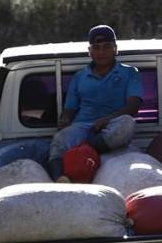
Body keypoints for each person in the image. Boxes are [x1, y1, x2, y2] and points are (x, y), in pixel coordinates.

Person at [46, 25, 143, 182]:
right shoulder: (80, 76)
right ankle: (60, 178)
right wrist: (64, 121)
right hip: (84, 127)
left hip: (112, 127)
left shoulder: (130, 73)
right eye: (96, 48)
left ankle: (87, 149)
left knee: (127, 122)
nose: (101, 52)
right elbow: (70, 109)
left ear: (115, 49)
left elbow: (133, 107)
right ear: (89, 51)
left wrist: (107, 119)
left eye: (106, 47)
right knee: (59, 140)